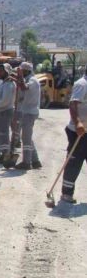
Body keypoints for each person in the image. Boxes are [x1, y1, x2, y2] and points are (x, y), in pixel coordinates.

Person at [60, 67, 87, 204]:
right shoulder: (82, 84)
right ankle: (66, 193)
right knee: (74, 163)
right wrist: (77, 123)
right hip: (78, 132)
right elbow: (73, 104)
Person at [14, 62, 42, 170]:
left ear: (27, 70)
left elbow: (25, 88)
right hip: (27, 111)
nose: (21, 72)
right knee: (27, 136)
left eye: (22, 71)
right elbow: (22, 92)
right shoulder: (28, 79)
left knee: (25, 138)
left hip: (30, 112)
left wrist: (19, 77)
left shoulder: (33, 80)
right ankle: (35, 161)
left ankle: (26, 163)